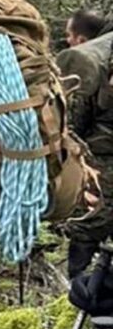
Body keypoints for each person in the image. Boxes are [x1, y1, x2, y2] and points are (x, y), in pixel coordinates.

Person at [57, 22, 113, 277]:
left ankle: (79, 288)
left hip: (100, 163)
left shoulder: (94, 57)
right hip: (101, 160)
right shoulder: (95, 58)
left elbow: (74, 123)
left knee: (89, 224)